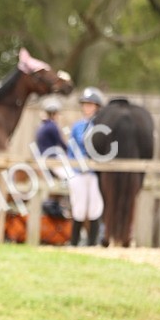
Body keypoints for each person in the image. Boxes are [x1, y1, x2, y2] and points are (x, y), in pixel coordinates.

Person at [68, 87, 106, 245]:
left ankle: (92, 243)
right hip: (79, 171)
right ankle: (74, 242)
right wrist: (76, 164)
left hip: (94, 173)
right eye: (85, 104)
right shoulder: (77, 127)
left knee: (95, 207)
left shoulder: (102, 126)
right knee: (79, 207)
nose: (87, 108)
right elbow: (71, 149)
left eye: (91, 105)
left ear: (97, 107)